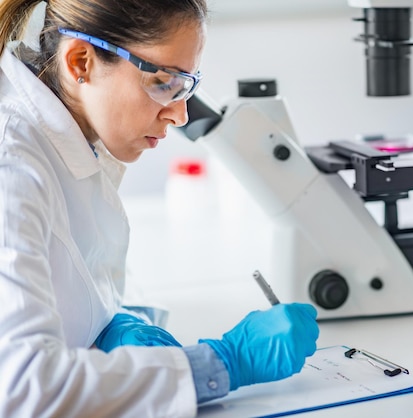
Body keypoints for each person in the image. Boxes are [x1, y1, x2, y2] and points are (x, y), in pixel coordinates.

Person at [0, 0, 320, 417]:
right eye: (164, 83)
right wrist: (221, 363)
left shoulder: (72, 135)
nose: (180, 113)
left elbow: (71, 277)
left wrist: (120, 321)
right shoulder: (12, 170)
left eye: (187, 85)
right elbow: (23, 389)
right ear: (81, 62)